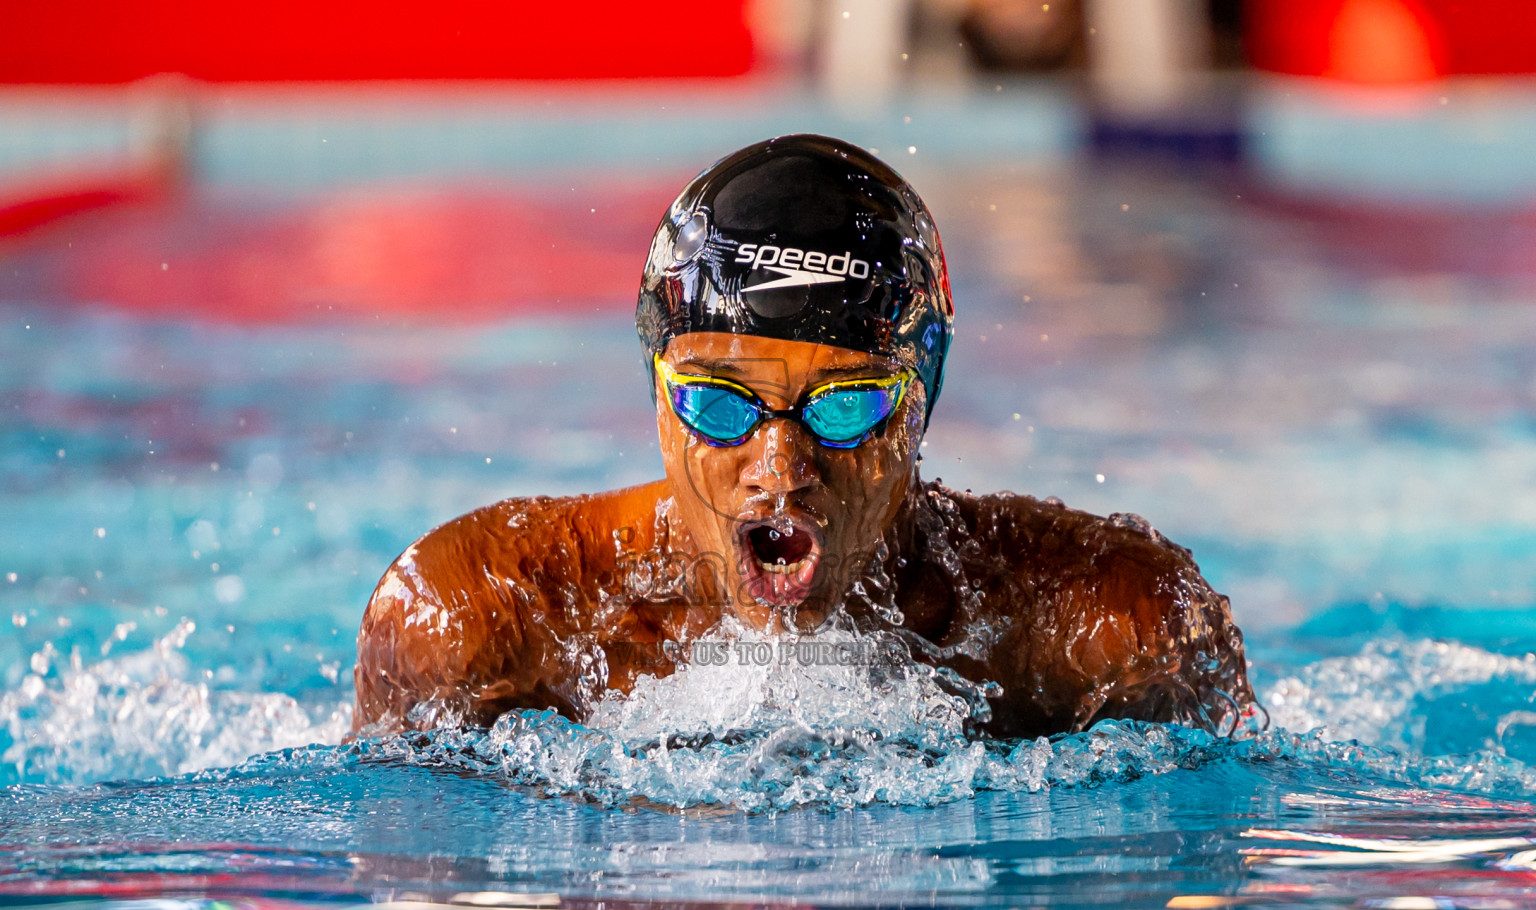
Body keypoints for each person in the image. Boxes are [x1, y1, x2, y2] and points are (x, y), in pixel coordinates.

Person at [353, 134, 1250, 737]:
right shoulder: (483, 616)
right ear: (660, 401)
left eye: (843, 407)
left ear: (918, 403)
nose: (780, 469)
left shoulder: (1109, 630)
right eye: (720, 403)